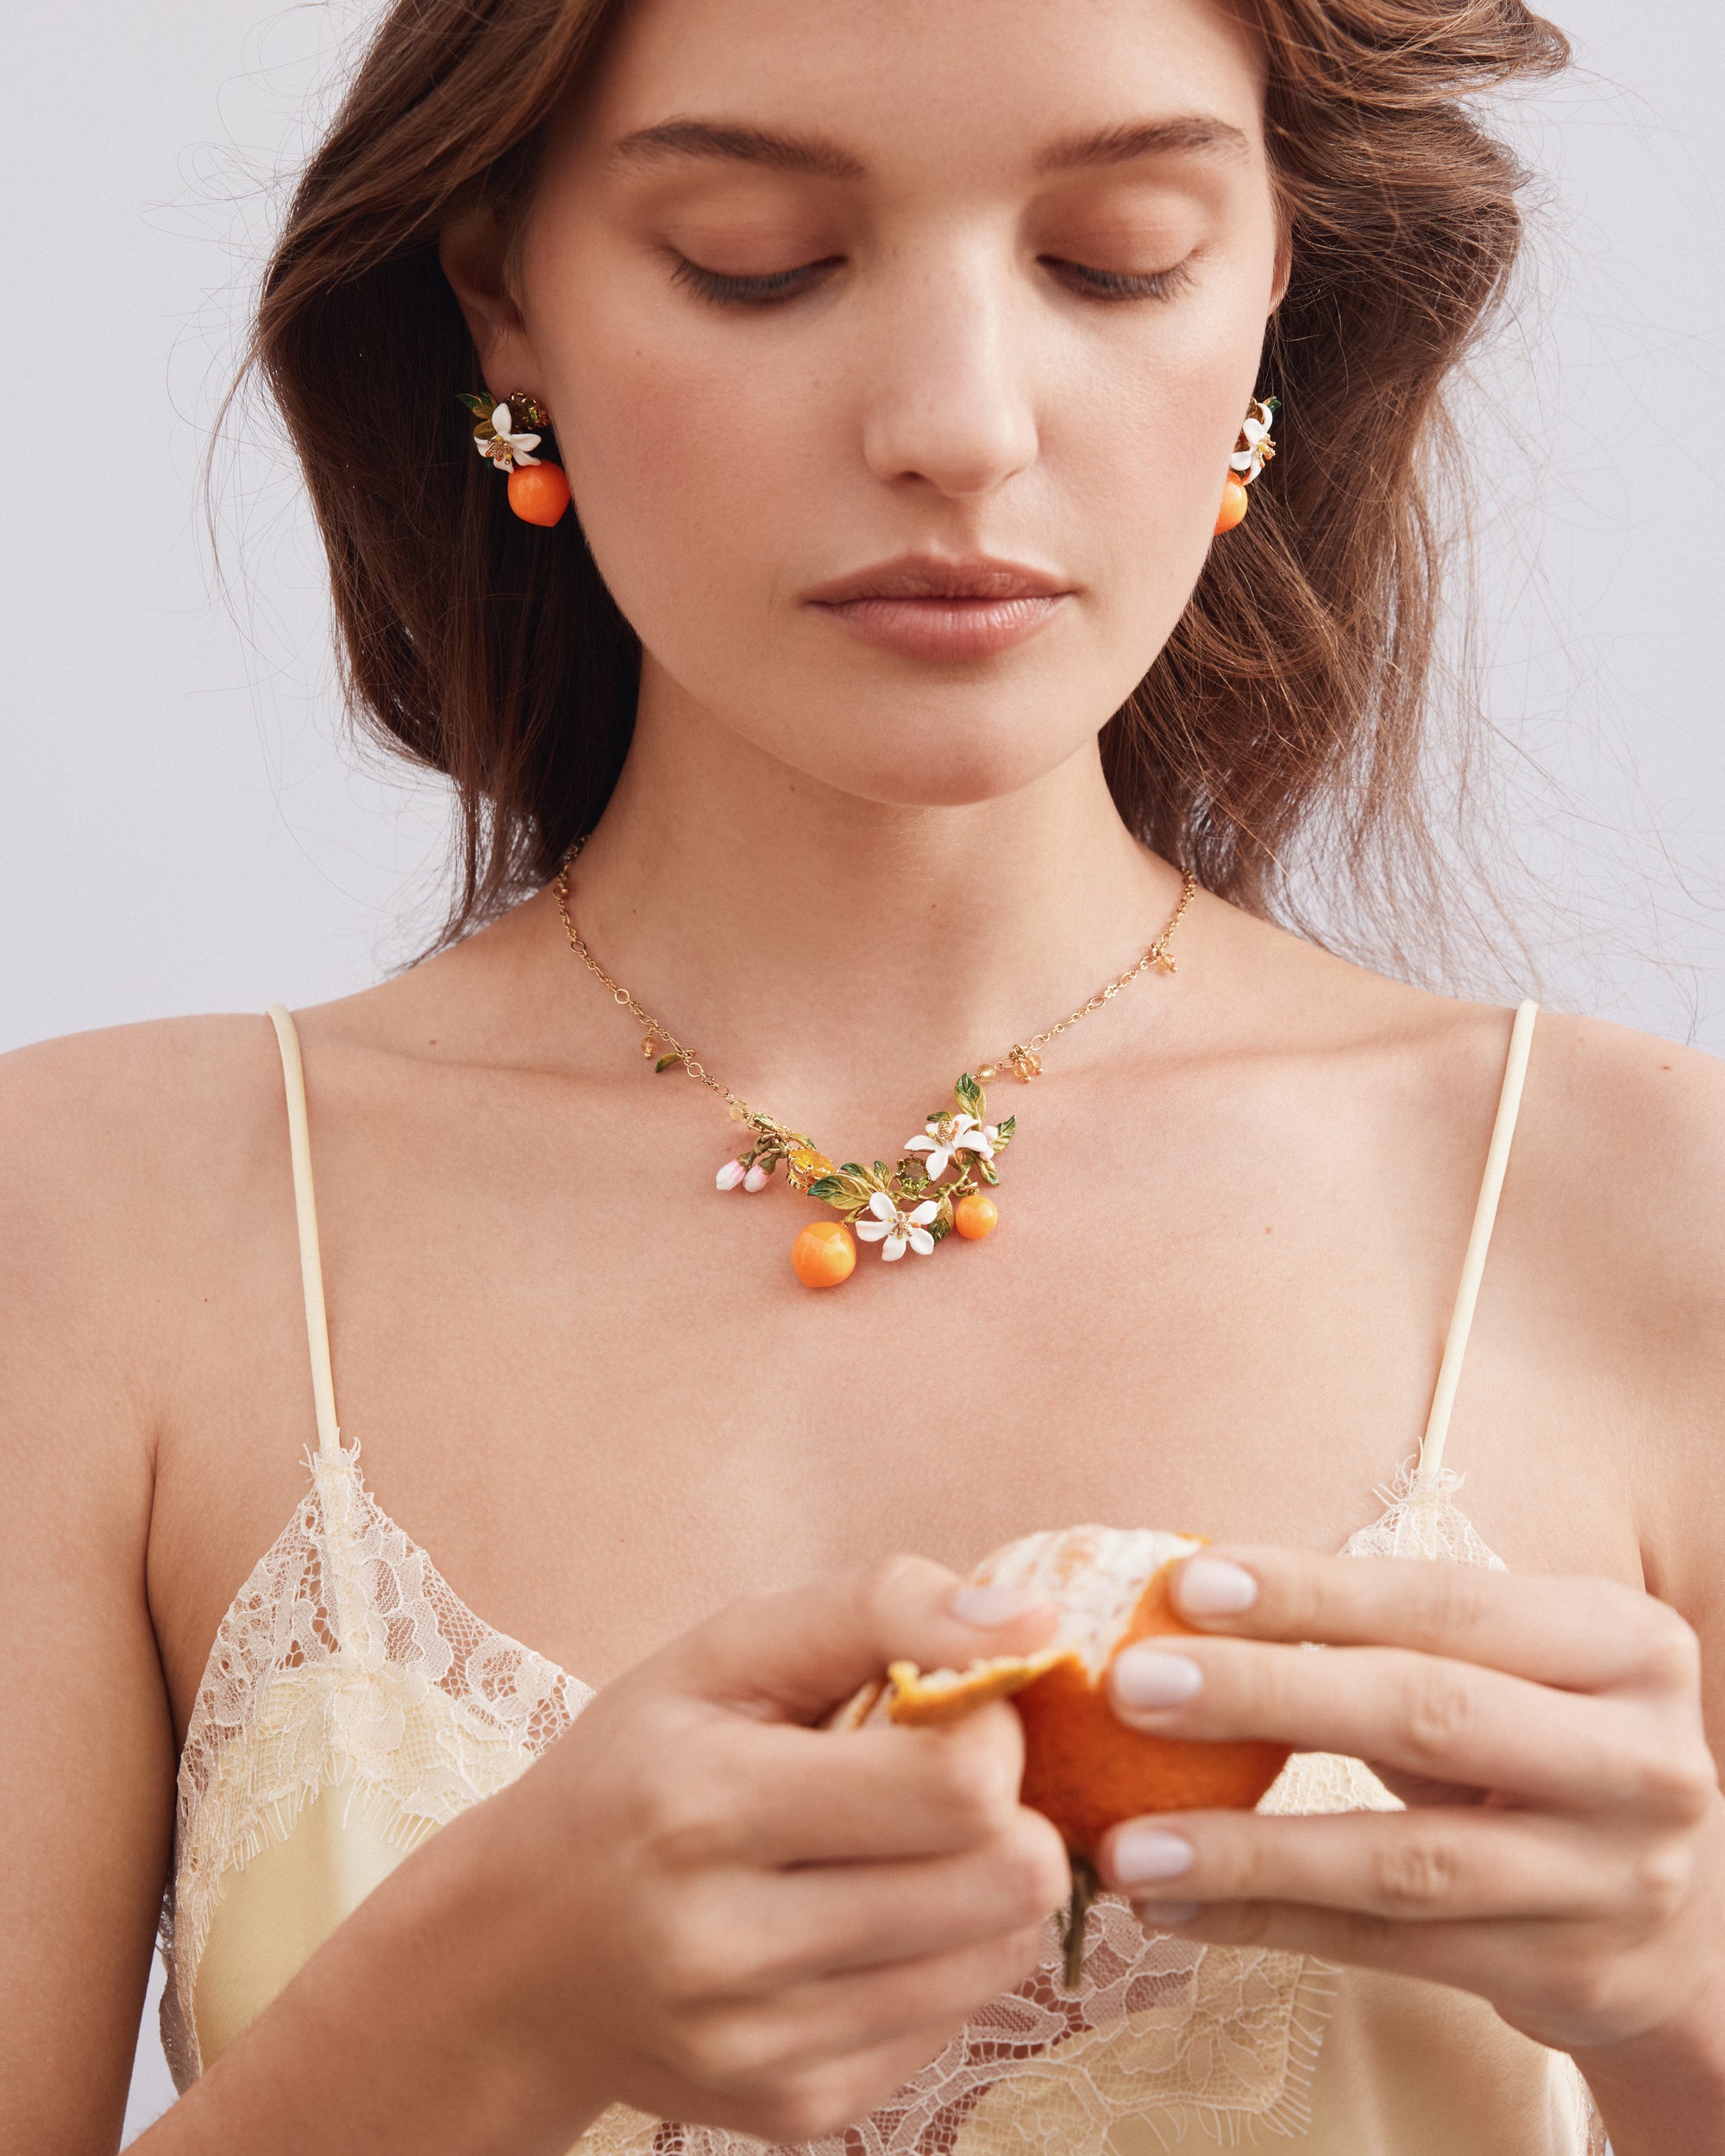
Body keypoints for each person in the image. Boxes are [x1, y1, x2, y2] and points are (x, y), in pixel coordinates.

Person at [3, 0, 1721, 2149]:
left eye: (1115, 255)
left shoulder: (1647, 1211)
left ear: (1274, 280)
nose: (960, 423)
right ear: (499, 294)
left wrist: (1688, 2009)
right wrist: (467, 2008)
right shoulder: (90, 1225)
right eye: (754, 259)